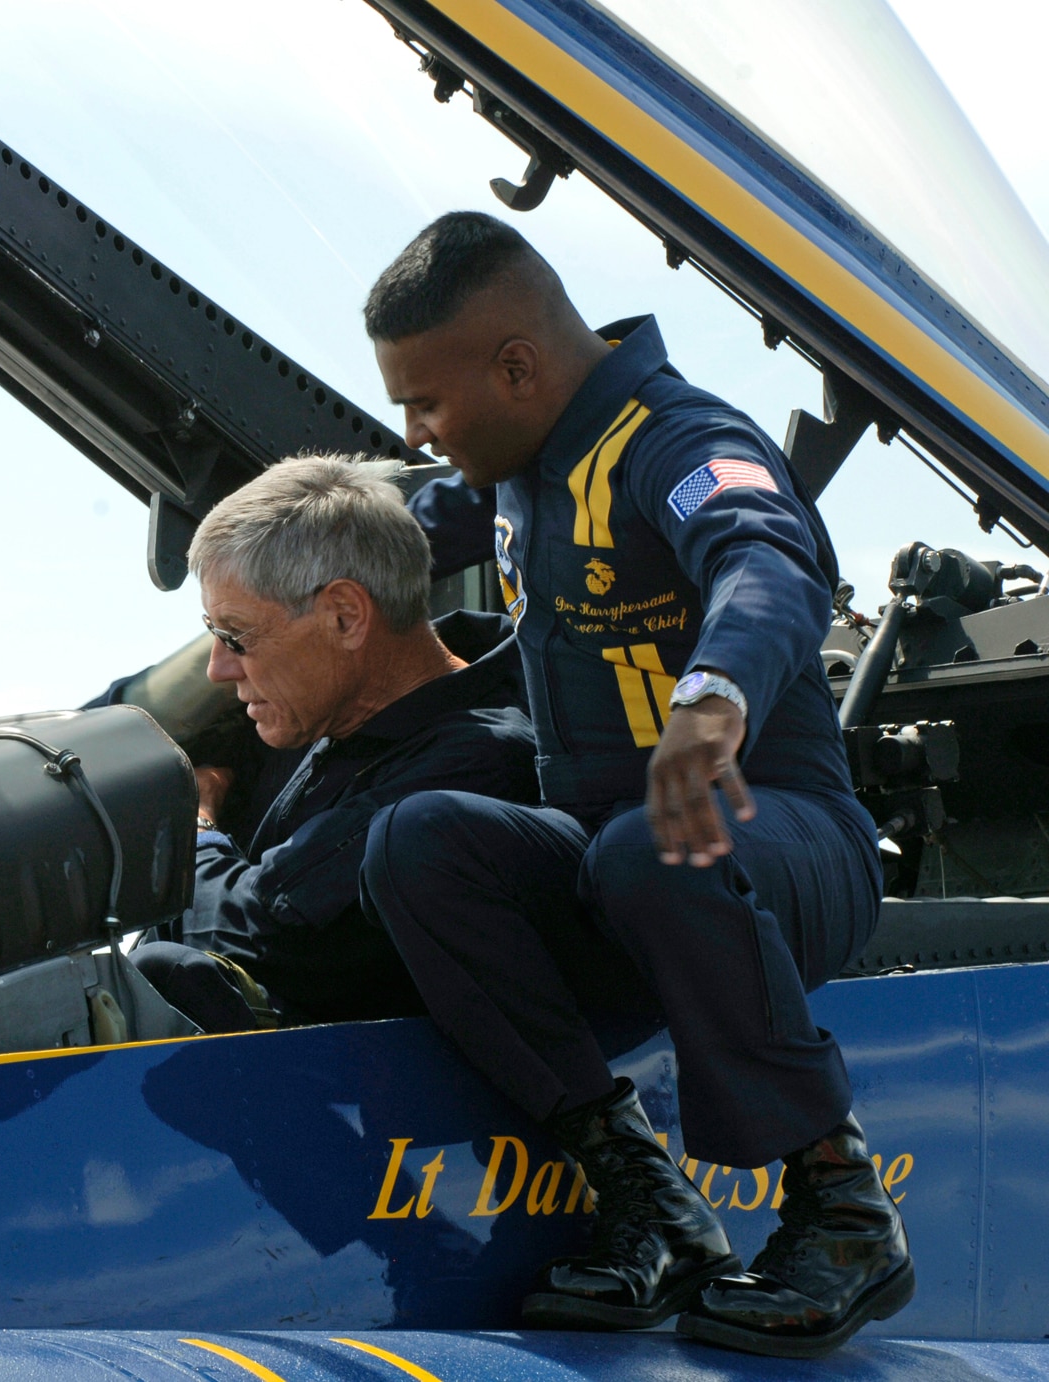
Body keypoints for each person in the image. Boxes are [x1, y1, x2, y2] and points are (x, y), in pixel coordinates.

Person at [356, 211, 910, 1359]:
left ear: (516, 365)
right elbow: (370, 519)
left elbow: (761, 553)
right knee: (416, 840)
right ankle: (646, 1203)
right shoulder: (513, 465)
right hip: (628, 862)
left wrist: (710, 697)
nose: (413, 431)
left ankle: (842, 1206)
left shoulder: (677, 440)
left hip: (780, 843)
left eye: (426, 403)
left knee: (645, 842)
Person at [127, 454, 537, 1034]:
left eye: (234, 636)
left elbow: (251, 934)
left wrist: (195, 824)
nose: (219, 669)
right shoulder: (335, 715)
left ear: (345, 618)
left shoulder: (475, 761)